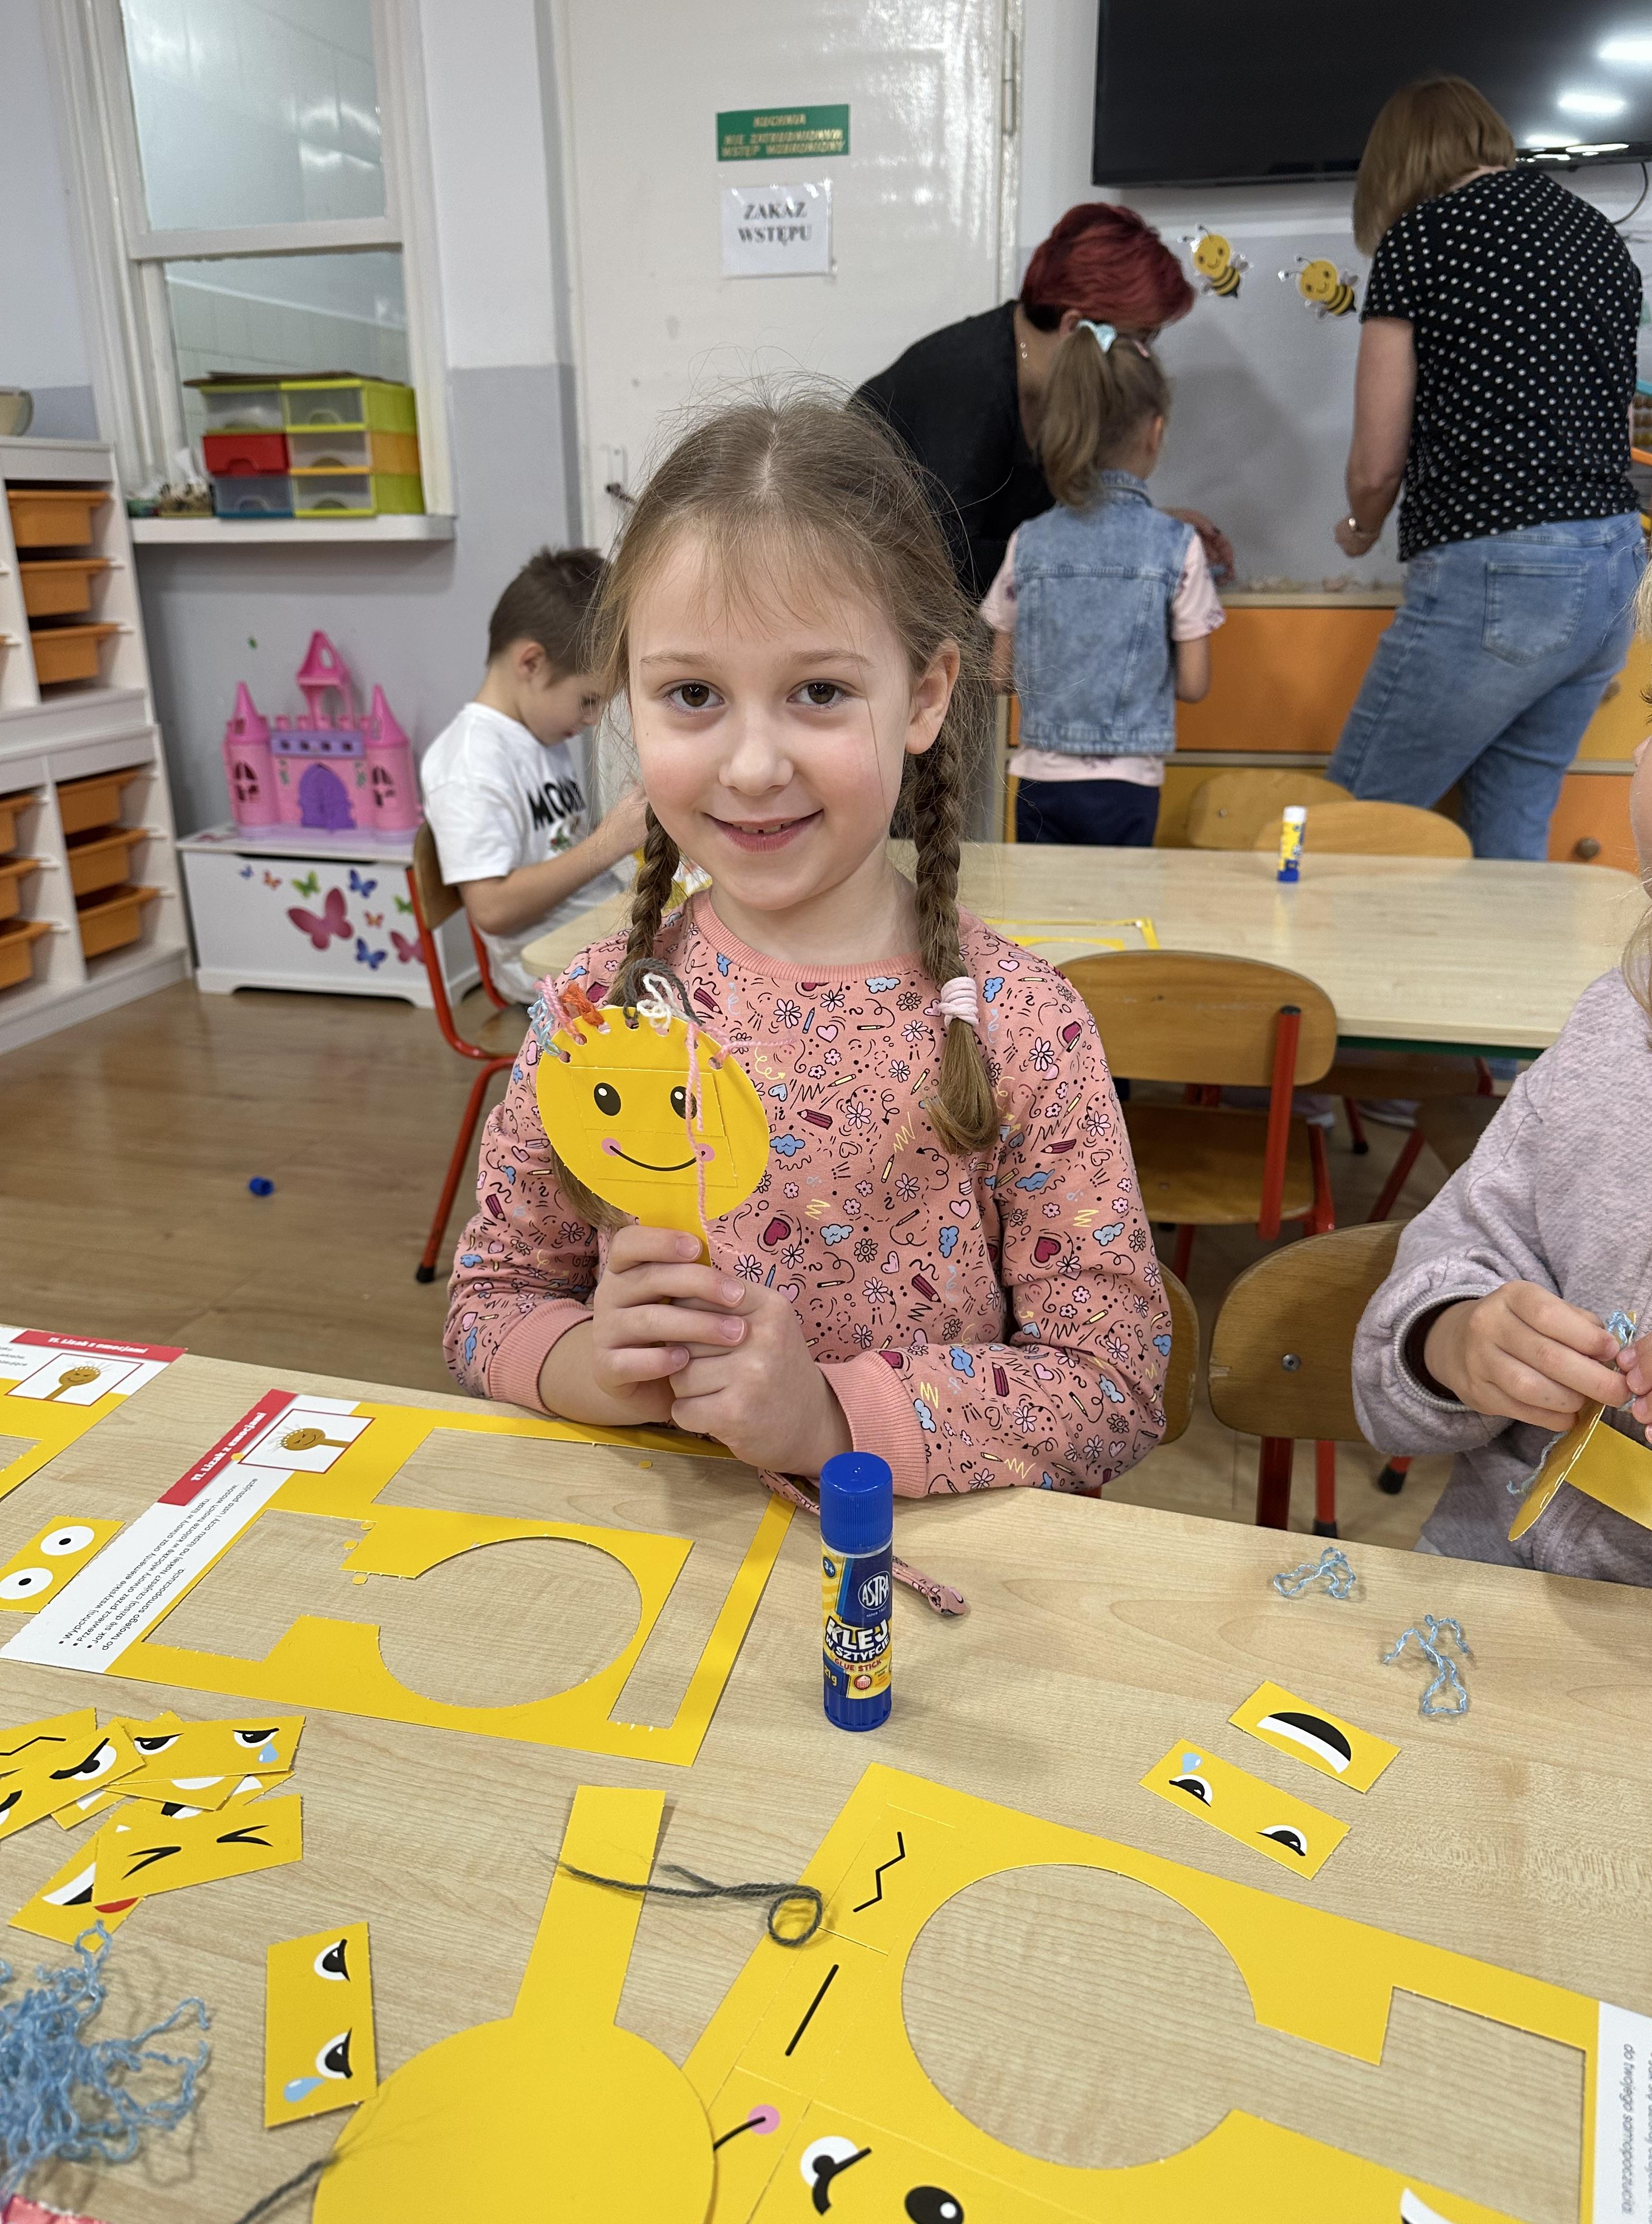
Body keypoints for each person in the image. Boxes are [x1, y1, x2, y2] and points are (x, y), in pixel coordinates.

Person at [443, 391, 1169, 1497]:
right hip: (664, 1559)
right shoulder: (594, 1015)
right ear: (628, 699)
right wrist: (593, 1364)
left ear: (923, 697)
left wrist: (829, 1417)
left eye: (818, 691)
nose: (751, 766)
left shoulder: (1024, 1024)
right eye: (691, 693)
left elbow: (1113, 1385)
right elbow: (487, 1304)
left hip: (910, 1573)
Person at [1350, 525, 1652, 1587]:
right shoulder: (1619, 1026)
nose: (1636, 751)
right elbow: (1438, 1278)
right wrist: (1451, 1341)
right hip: (1476, 1607)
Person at [1325, 76, 1645, 860]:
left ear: (1398, 165)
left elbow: (1377, 461)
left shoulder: (1422, 238)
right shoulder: (1598, 235)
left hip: (1502, 568)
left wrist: (1361, 526)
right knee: (1510, 842)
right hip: (1613, 566)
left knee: (1342, 831)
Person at [856, 202, 1229, 601]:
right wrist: (1117, 547)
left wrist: (1144, 526)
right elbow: (949, 566)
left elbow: (1039, 533)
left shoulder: (1053, 388)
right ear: (1073, 327)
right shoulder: (971, 381)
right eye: (1139, 340)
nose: (1143, 358)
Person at [982, 325, 1220, 848]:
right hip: (1129, 784)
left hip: (1040, 780)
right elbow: (1194, 684)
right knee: (1120, 899)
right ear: (1155, 432)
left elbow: (999, 676)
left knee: (1042, 900)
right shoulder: (1177, 545)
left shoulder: (1028, 542)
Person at [420, 547, 645, 1004]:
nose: (593, 718)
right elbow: (492, 909)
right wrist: (608, 843)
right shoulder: (469, 763)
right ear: (531, 663)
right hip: (549, 979)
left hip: (593, 942)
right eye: (588, 700)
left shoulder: (538, 735)